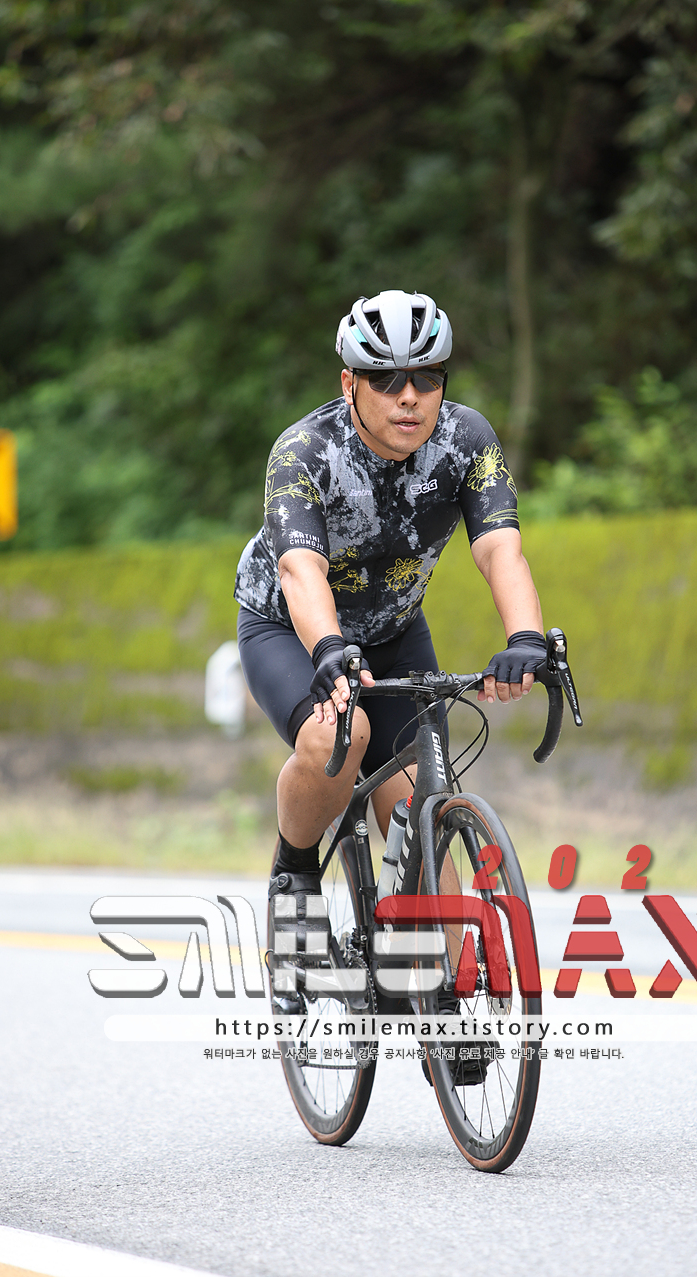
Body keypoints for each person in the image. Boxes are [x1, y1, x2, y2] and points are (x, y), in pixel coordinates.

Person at [233, 289, 548, 1005]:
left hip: (395, 632)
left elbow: (500, 549)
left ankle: (445, 990)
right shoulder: (304, 452)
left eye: (427, 377)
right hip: (290, 628)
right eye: (386, 379)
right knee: (337, 736)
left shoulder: (466, 440)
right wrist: (329, 650)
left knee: (422, 796)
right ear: (349, 383)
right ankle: (294, 874)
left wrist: (526, 637)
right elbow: (300, 569)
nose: (409, 397)